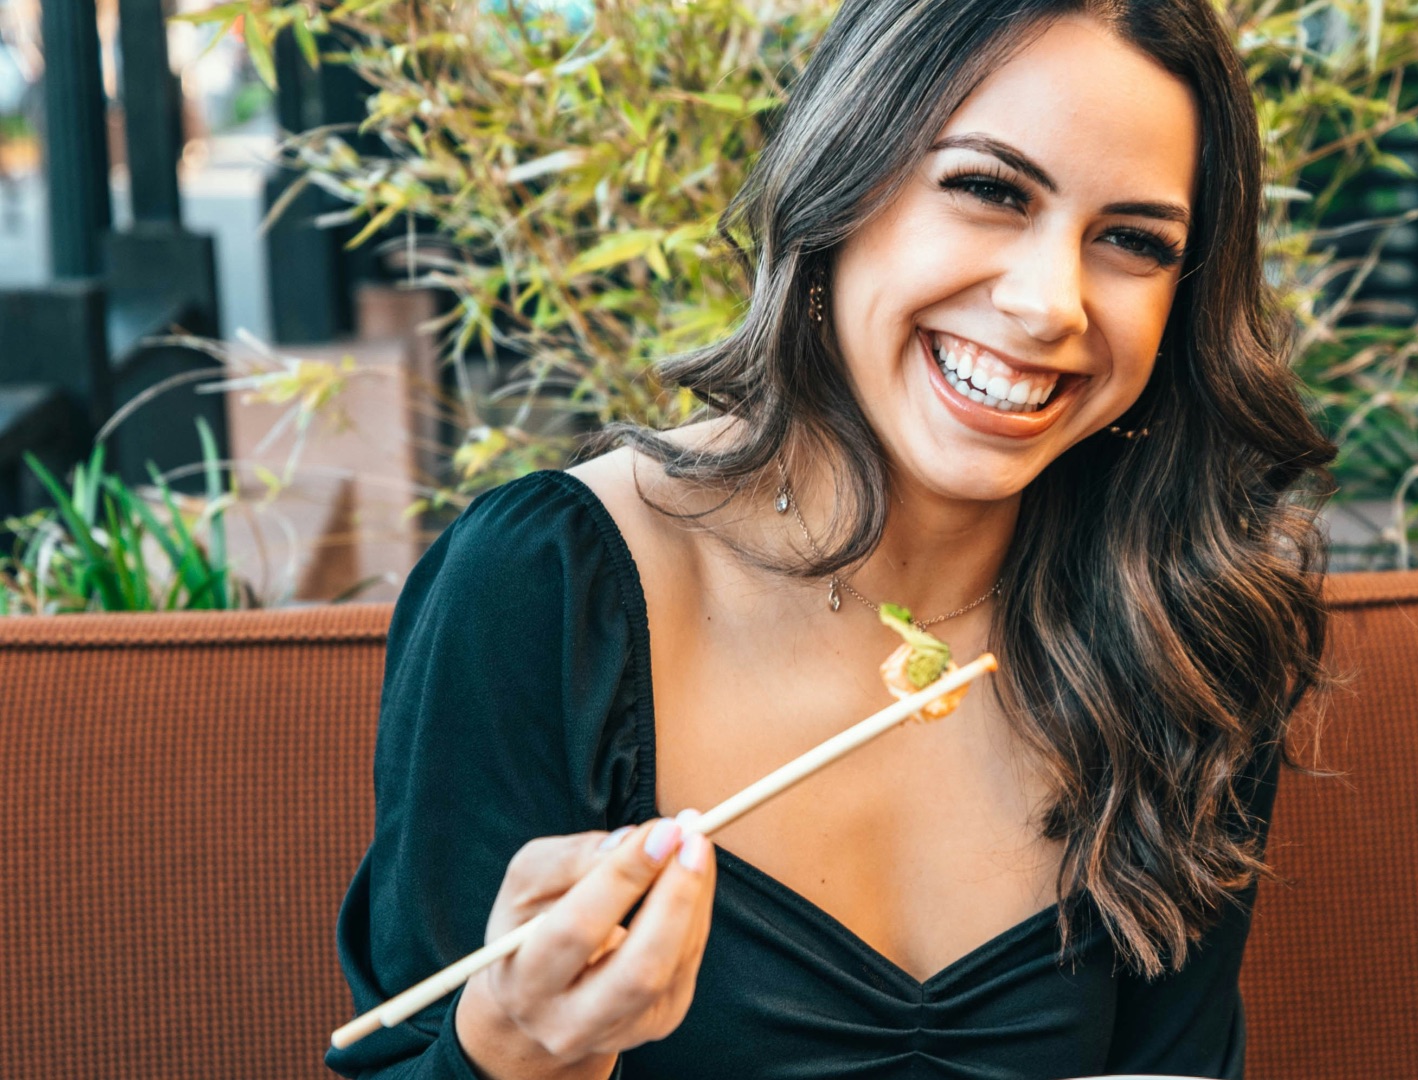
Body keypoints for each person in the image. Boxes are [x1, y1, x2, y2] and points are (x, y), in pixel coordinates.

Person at [327, 1, 1334, 1077]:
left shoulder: (1183, 632)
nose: (1050, 305)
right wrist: (507, 1052)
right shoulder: (544, 587)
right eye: (990, 190)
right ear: (839, 190)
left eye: (1134, 241)